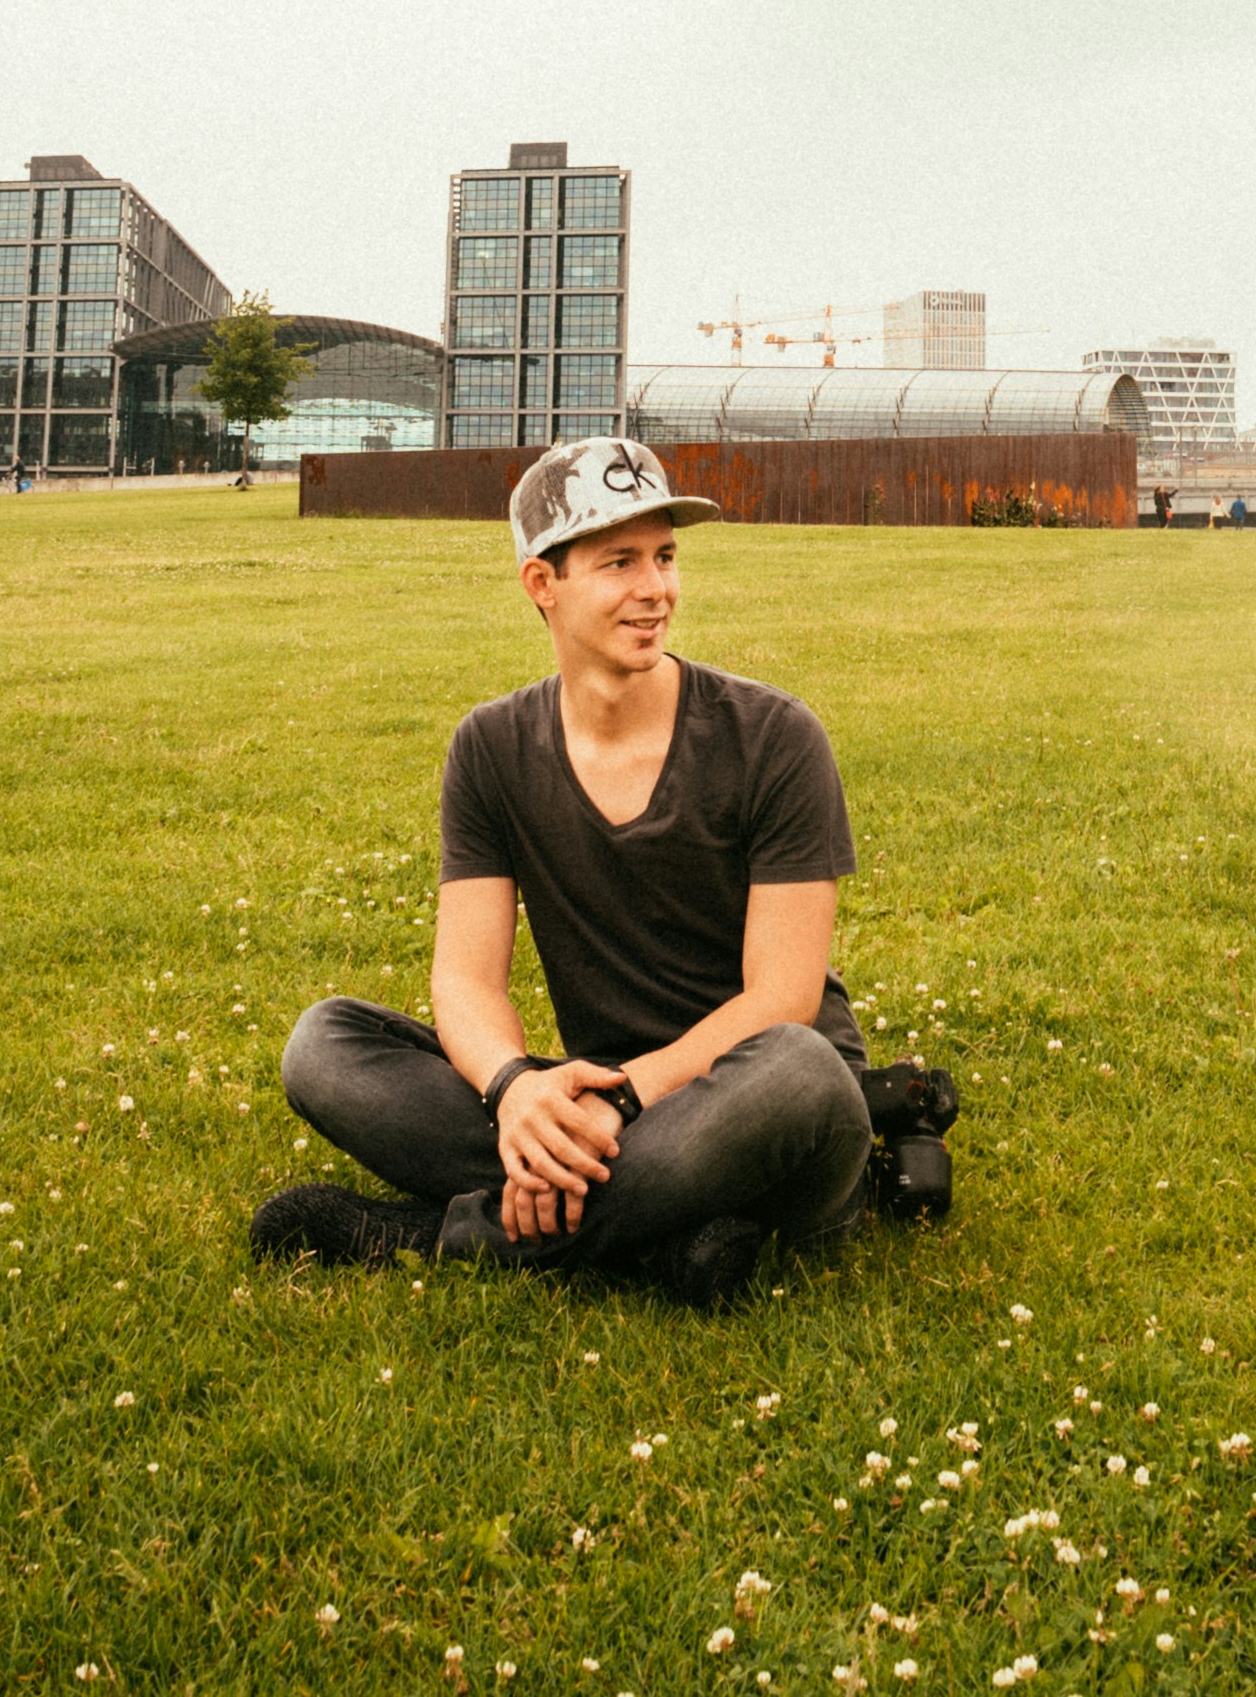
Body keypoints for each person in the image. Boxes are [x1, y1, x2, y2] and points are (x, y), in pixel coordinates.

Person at [252, 438, 875, 1307]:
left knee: (800, 1071)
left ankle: (448, 1235)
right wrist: (515, 1092)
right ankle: (667, 1236)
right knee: (325, 1045)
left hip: (757, 1099)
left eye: (665, 557)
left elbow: (782, 999)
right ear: (542, 583)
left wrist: (622, 1103)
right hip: (606, 1098)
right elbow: (467, 983)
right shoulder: (491, 747)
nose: (656, 589)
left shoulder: (774, 737)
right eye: (620, 562)